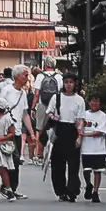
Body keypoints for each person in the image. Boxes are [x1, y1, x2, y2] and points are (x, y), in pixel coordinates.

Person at [45, 73, 87, 202]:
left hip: (72, 130)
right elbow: (49, 112)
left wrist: (80, 136)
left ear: (75, 84)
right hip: (59, 130)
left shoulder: (79, 100)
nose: (68, 85)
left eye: (71, 82)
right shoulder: (56, 97)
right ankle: (61, 191)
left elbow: (81, 119)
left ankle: (72, 190)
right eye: (66, 82)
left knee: (73, 164)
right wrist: (54, 117)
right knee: (58, 164)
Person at [0, 66, 32, 200]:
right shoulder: (7, 90)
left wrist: (31, 133)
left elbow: (25, 114)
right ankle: (4, 187)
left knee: (15, 161)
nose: (27, 78)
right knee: (6, 159)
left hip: (17, 129)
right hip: (5, 130)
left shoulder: (23, 93)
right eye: (25, 75)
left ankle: (11, 188)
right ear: (17, 76)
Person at [79, 93, 106, 202]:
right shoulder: (84, 115)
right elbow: (79, 127)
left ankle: (96, 192)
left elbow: (100, 132)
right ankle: (88, 185)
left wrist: (85, 135)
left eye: (97, 101)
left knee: (97, 171)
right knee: (86, 170)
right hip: (86, 148)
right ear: (89, 102)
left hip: (98, 149)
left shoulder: (102, 115)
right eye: (93, 101)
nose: (95, 104)